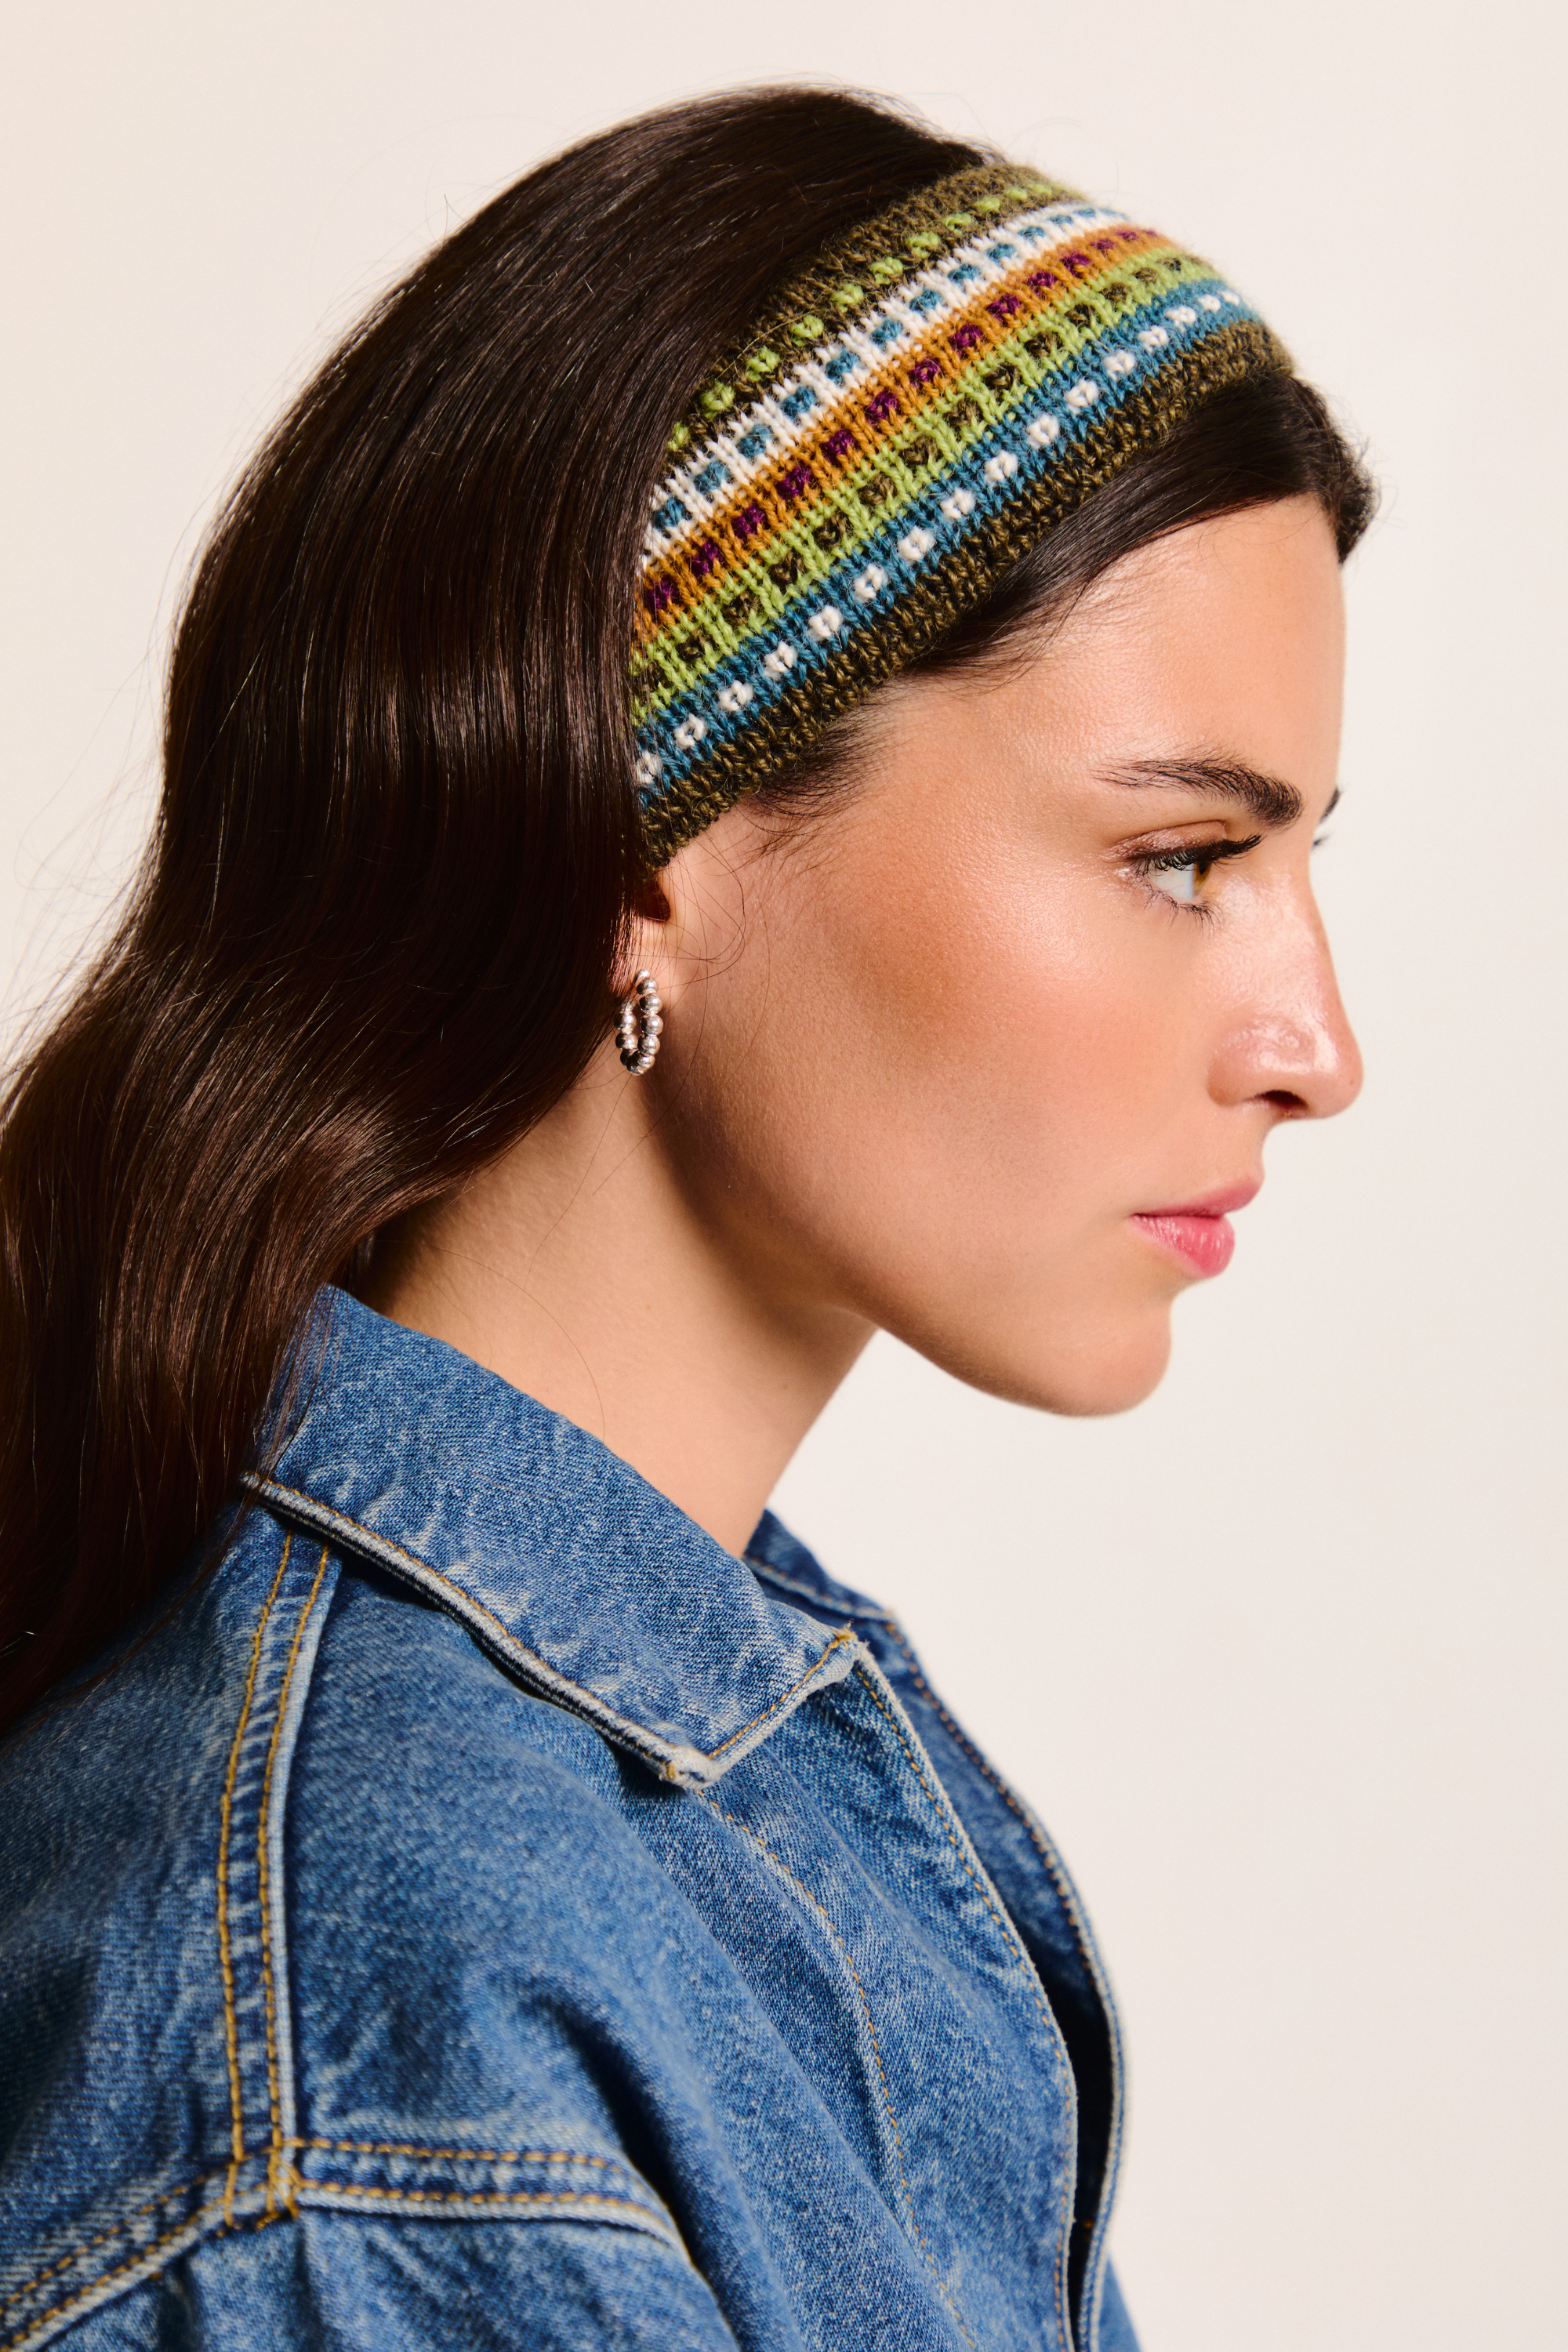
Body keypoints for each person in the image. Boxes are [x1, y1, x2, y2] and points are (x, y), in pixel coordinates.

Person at [0, 83, 1370, 2352]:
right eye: (1182, 860)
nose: (1318, 1045)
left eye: (1311, 856)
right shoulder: (390, 2044)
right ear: (651, 837)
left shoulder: (703, 1767)